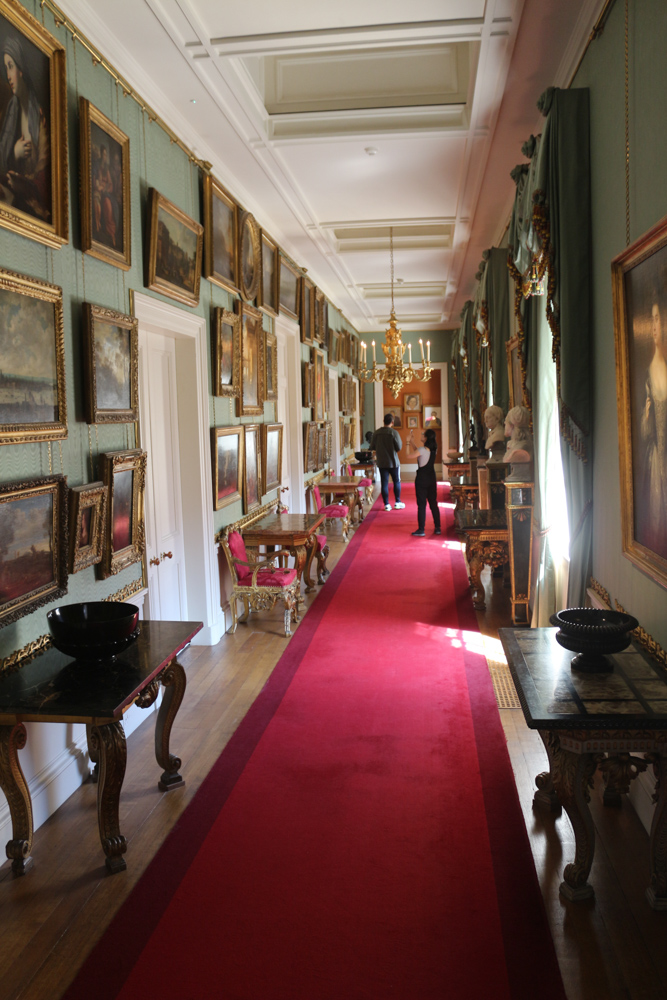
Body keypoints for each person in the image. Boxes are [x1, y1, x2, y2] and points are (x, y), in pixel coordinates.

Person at [0, 35, 50, 221]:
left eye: (10, 66)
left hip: (30, 196)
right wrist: (14, 152)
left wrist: (25, 184)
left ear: (21, 69)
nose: (8, 75)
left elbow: (45, 177)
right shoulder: (12, 109)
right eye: (5, 68)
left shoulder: (39, 117)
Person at [640, 295, 667, 557]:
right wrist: (647, 417)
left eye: (659, 318)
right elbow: (644, 433)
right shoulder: (649, 372)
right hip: (658, 460)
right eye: (653, 319)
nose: (655, 325)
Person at [407, 428, 441, 536]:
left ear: (426, 438)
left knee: (421, 505)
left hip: (422, 479)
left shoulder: (422, 450)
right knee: (433, 503)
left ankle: (421, 529)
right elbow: (420, 453)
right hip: (432, 478)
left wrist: (407, 442)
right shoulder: (434, 449)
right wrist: (413, 442)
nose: (421, 435)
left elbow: (409, 455)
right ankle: (438, 527)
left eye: (423, 434)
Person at [370, 413, 404, 510]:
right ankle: (397, 502)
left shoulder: (376, 433)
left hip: (382, 462)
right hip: (393, 462)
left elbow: (372, 446)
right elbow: (399, 447)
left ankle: (386, 505)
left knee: (384, 483)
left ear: (383, 421)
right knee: (396, 481)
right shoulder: (394, 433)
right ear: (392, 422)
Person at [503, 405, 533, 482]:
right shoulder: (513, 445)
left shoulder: (522, 448)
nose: (504, 424)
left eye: (506, 422)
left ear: (512, 425)